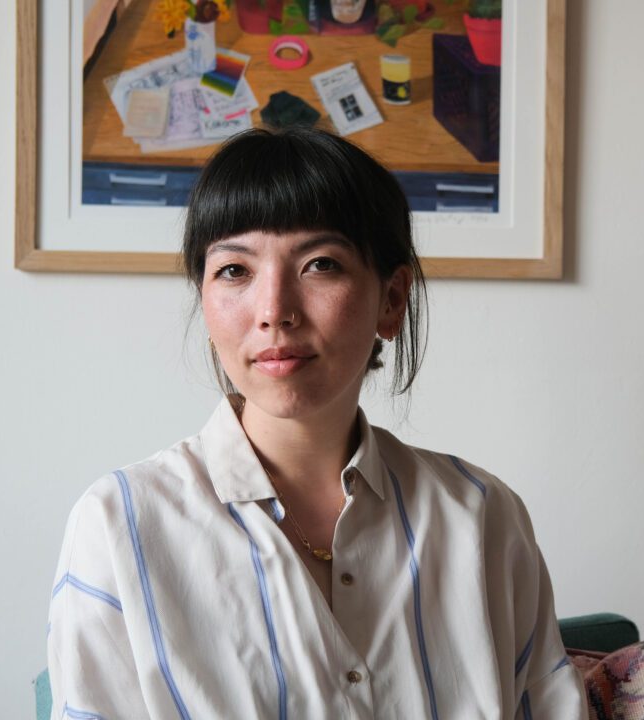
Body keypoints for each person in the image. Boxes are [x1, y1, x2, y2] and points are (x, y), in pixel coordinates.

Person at [47, 127, 587, 719]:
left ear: (391, 298)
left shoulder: (482, 515)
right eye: (234, 270)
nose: (274, 310)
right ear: (204, 299)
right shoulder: (118, 524)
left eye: (319, 264)